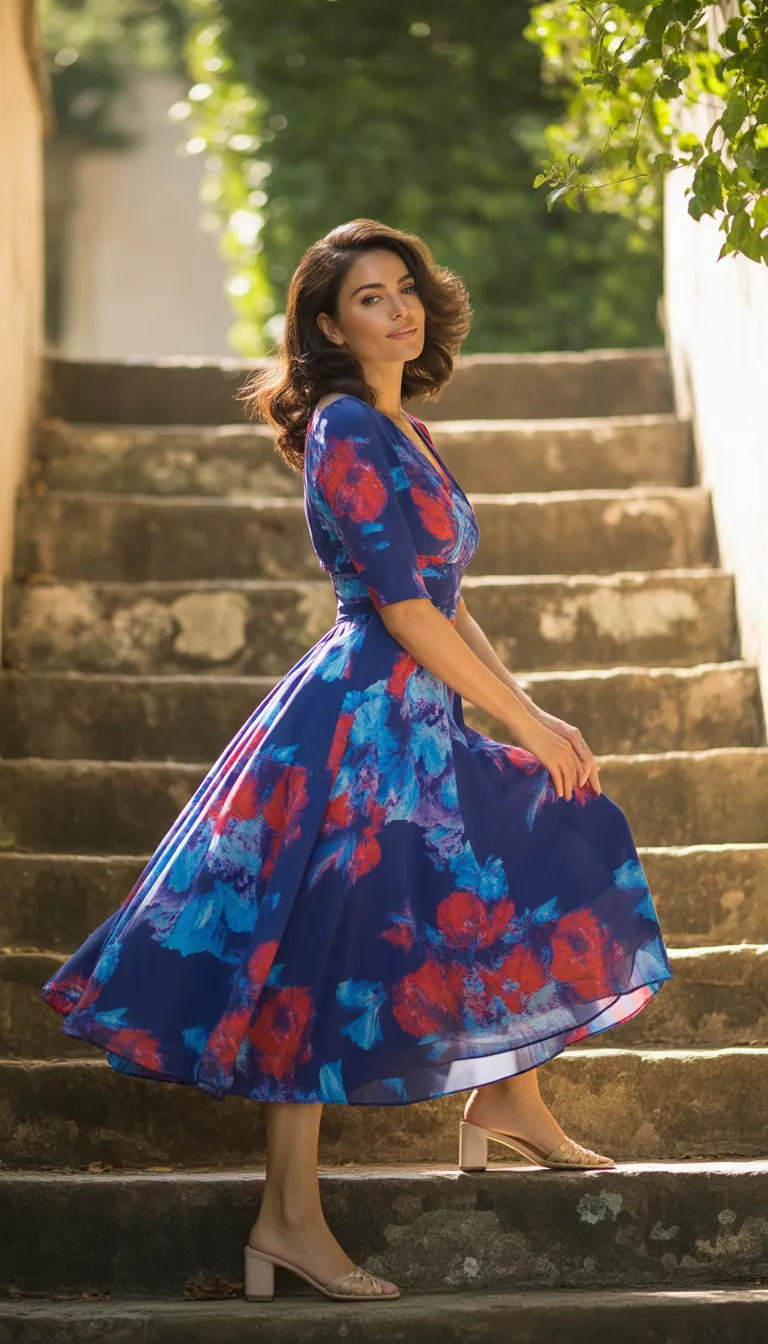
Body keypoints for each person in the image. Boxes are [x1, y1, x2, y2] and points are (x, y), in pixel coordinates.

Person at [41, 218, 673, 1305]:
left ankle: (505, 1100)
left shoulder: (410, 428)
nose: (400, 307)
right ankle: (287, 1217)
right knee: (320, 951)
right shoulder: (341, 424)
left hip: (422, 722)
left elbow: (450, 605)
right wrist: (521, 720)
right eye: (371, 298)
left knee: (552, 837)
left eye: (406, 288)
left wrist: (529, 713)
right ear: (330, 327)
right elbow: (398, 607)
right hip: (358, 725)